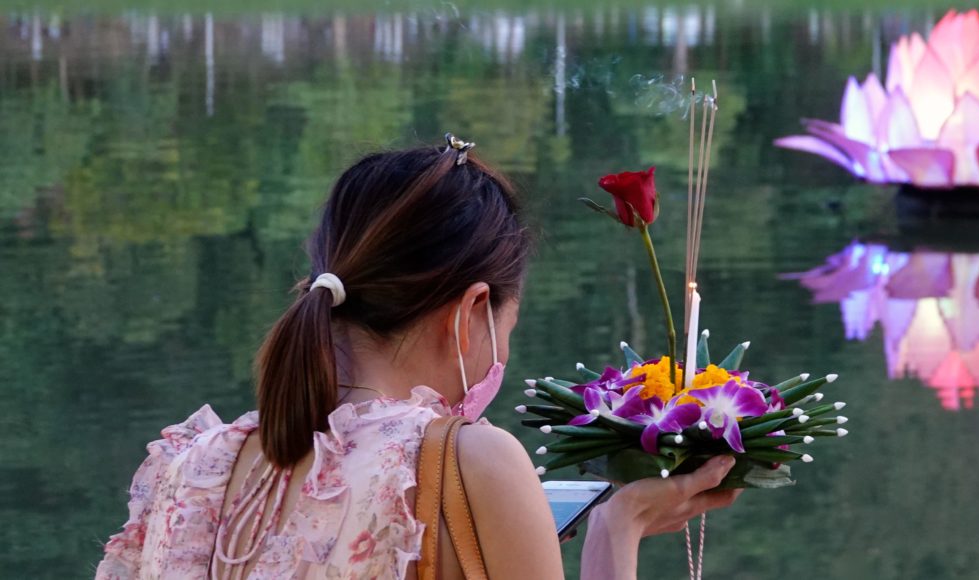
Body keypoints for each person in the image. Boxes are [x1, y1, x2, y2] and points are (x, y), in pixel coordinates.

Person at [95, 136, 741, 579]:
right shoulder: (474, 461)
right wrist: (616, 529)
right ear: (470, 312)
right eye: (505, 327)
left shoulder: (190, 468)